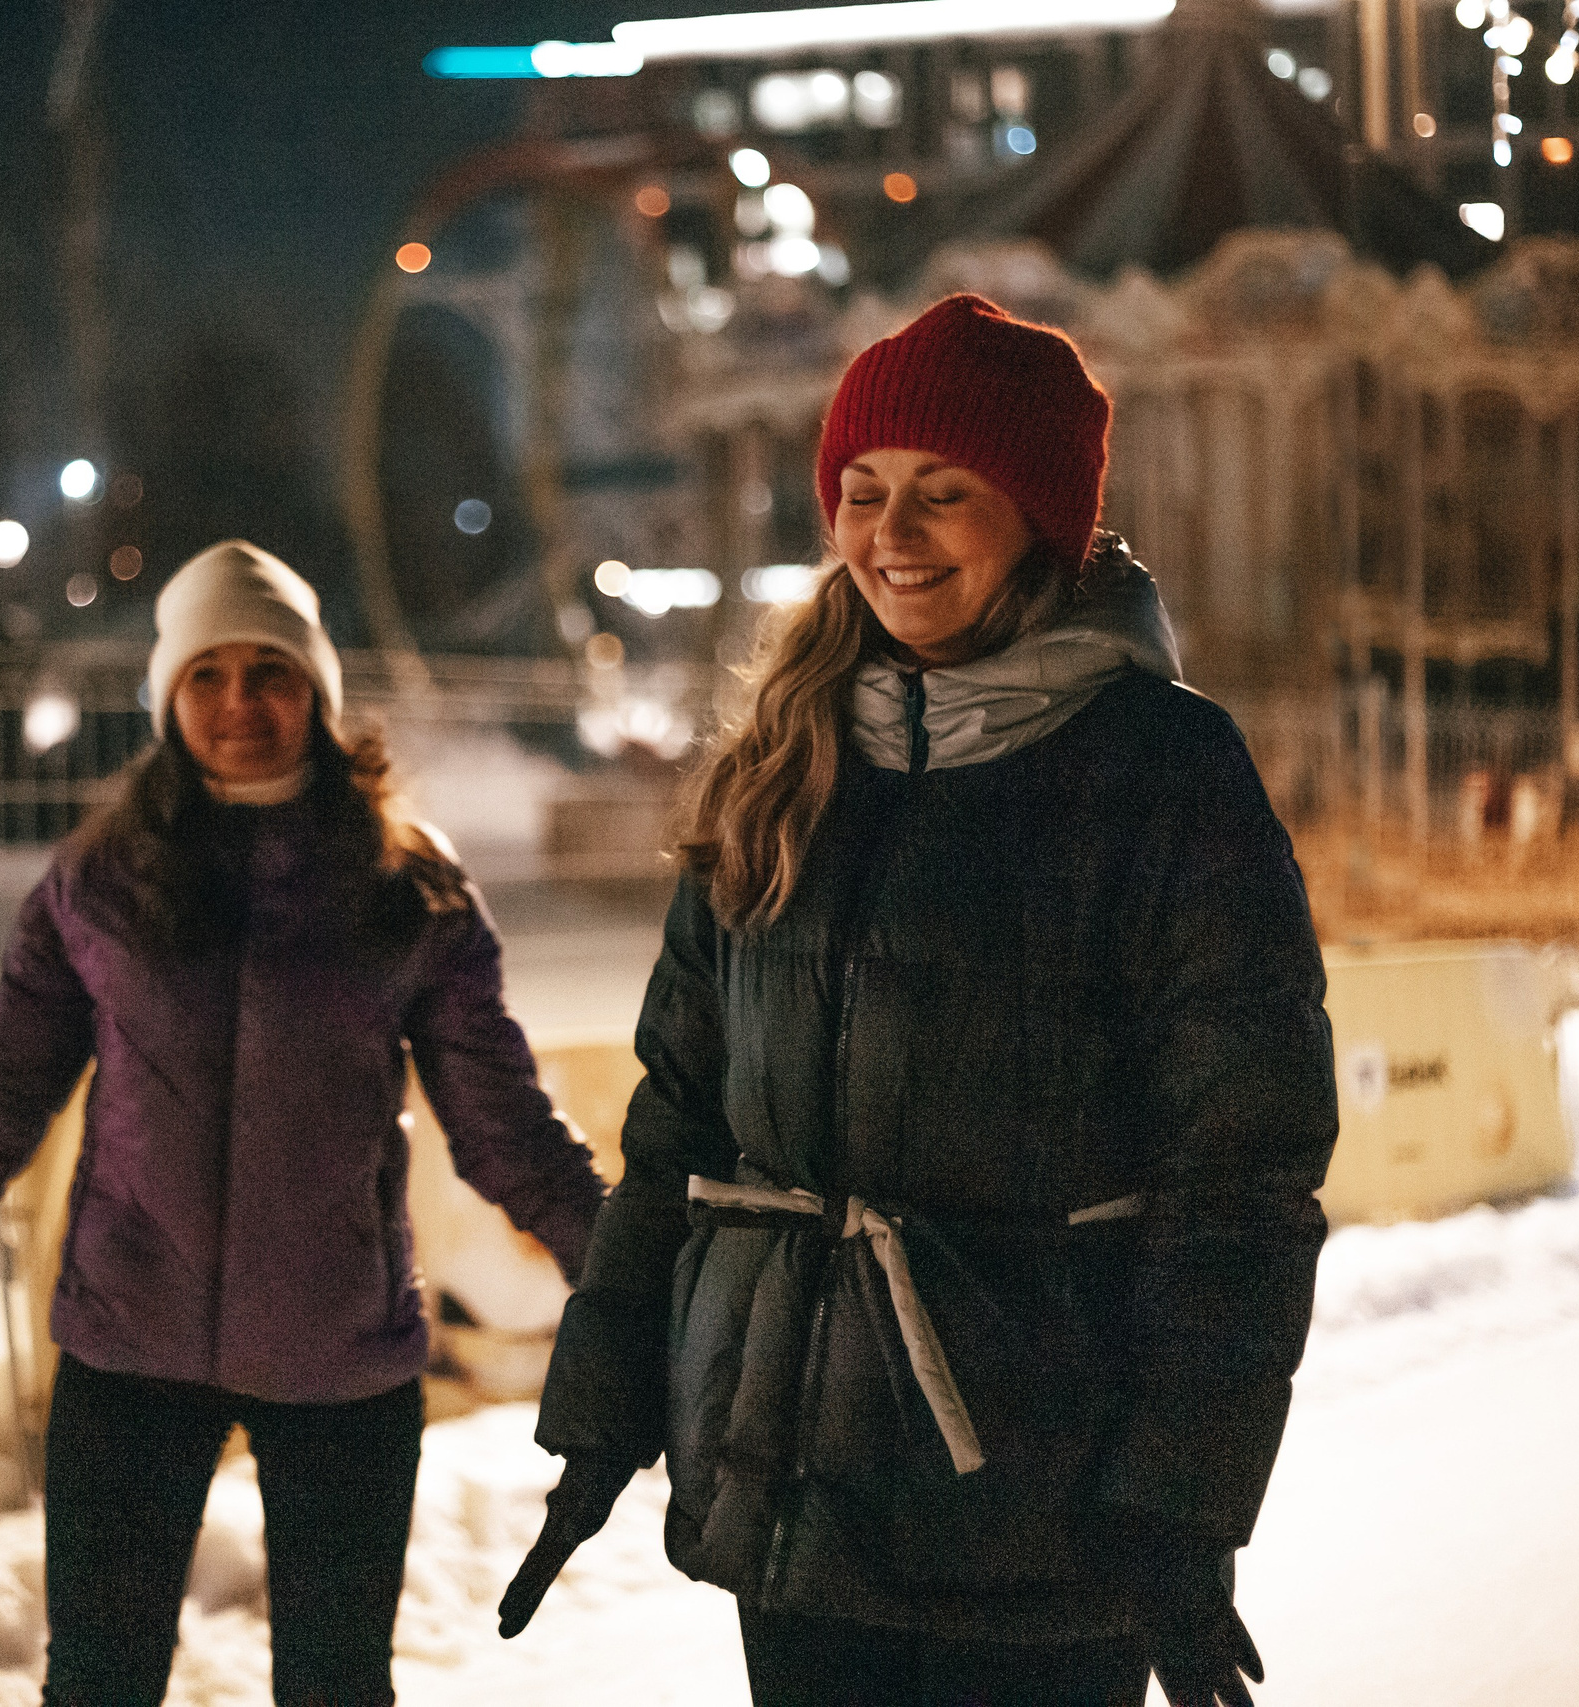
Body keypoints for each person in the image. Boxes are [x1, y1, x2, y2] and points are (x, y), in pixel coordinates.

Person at [501, 296, 1340, 1707]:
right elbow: (681, 1123)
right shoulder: (781, 759)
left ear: (1041, 517)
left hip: (1038, 1504)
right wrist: (609, 1402)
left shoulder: (1160, 772)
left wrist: (1181, 1506)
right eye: (864, 491)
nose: (892, 531)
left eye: (944, 494)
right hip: (791, 1491)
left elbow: (1241, 1174)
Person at [0, 541, 608, 1707]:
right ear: (168, 696)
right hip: (127, 1353)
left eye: (272, 672)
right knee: (98, 1686)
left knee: (337, 1688)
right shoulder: (96, 881)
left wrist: (631, 1282)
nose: (240, 703)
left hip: (338, 1361)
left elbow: (507, 1128)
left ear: (317, 691)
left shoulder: (406, 889)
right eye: (208, 674)